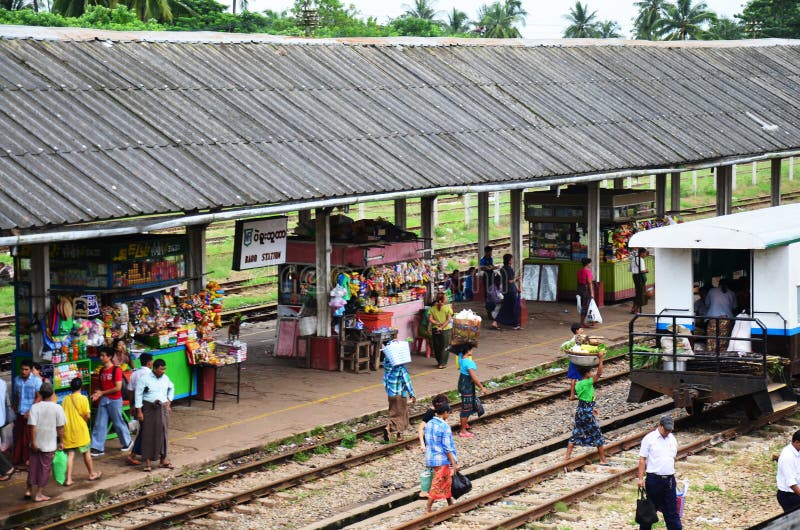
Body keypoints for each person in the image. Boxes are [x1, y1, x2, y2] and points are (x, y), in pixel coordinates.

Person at [637, 415, 682, 530]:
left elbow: (673, 457)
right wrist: (640, 478)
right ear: (660, 426)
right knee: (649, 511)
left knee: (672, 512)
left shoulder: (672, 438)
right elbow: (642, 459)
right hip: (654, 480)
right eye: (666, 429)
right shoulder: (649, 438)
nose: (668, 432)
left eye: (670, 430)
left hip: (669, 480)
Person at [563, 352, 608, 465]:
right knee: (597, 434)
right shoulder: (588, 382)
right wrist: (601, 359)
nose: (591, 373)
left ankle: (567, 458)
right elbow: (600, 373)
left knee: (576, 432)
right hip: (587, 412)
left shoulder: (578, 384)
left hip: (580, 411)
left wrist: (592, 408)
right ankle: (603, 460)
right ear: (587, 373)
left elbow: (584, 398)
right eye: (590, 372)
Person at [26, 381, 66, 502]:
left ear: (40, 393)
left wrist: (34, 442)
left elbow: (32, 426)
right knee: (44, 469)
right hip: (49, 444)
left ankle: (28, 490)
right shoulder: (57, 408)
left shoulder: (35, 407)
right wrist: (61, 442)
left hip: (35, 443)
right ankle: (38, 494)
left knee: (32, 467)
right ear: (52, 393)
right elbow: (61, 428)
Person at [135, 358, 175, 472]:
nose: (163, 371)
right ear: (155, 368)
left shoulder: (165, 378)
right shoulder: (144, 379)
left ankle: (163, 460)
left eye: (165, 369)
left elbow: (171, 388)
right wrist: (139, 411)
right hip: (148, 408)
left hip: (162, 408)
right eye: (161, 369)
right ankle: (147, 462)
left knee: (163, 433)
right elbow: (138, 395)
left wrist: (169, 402)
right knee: (148, 434)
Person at [90, 348, 132, 457]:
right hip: (104, 399)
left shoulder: (116, 370)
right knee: (100, 422)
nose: (101, 358)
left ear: (109, 357)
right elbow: (100, 386)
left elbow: (117, 388)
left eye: (103, 355)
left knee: (118, 422)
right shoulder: (101, 371)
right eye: (101, 355)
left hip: (115, 400)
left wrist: (102, 393)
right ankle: (97, 447)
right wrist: (97, 393)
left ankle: (127, 442)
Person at [61, 378, 101, 484]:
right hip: (80, 430)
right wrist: (85, 422)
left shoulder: (65, 399)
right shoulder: (83, 398)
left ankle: (68, 479)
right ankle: (92, 474)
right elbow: (87, 415)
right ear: (81, 386)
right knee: (86, 452)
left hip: (68, 430)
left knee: (70, 455)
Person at [423, 398, 458, 514]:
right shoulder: (444, 426)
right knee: (438, 483)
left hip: (430, 458)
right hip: (441, 459)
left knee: (446, 480)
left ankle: (451, 505)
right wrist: (453, 462)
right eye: (449, 413)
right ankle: (428, 508)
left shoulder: (429, 424)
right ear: (445, 413)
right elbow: (447, 447)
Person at [416, 394, 448, 498]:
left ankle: (432, 491)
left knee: (434, 468)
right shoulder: (431, 413)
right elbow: (421, 428)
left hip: (437, 443)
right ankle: (426, 491)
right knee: (431, 468)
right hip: (430, 444)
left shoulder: (440, 414)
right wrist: (422, 444)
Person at [12, 359, 42, 469]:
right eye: (22, 369)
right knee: (18, 436)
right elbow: (15, 396)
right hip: (20, 413)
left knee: (28, 438)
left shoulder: (36, 381)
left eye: (26, 369)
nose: (23, 371)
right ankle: (17, 459)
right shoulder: (17, 380)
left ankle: (28, 460)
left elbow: (39, 396)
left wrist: (30, 411)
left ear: (30, 370)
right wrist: (14, 410)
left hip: (31, 413)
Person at [127, 352, 154, 466]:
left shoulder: (135, 374)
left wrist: (131, 405)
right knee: (145, 430)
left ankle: (145, 452)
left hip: (138, 404)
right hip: (147, 405)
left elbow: (130, 391)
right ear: (149, 363)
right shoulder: (151, 374)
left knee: (144, 429)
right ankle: (133, 454)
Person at [455, 342, 486, 438]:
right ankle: (463, 431)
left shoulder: (460, 357)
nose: (472, 351)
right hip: (467, 386)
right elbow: (474, 378)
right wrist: (482, 387)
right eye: (471, 349)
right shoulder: (469, 363)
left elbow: (460, 353)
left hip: (462, 384)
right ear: (468, 350)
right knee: (466, 408)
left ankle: (463, 423)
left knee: (466, 405)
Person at [382, 356, 416, 441]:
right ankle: (398, 434)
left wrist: (389, 390)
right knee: (401, 414)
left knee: (393, 412)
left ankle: (388, 427)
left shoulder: (387, 366)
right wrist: (412, 394)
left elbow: (384, 380)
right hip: (400, 394)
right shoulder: (401, 368)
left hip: (391, 395)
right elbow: (407, 382)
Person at [705, 279, 737, 353]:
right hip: (726, 318)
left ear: (718, 284)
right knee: (723, 338)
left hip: (713, 317)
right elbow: (734, 307)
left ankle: (711, 354)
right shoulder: (731, 293)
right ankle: (722, 354)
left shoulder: (711, 291)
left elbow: (707, 304)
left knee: (712, 338)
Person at [492, 253, 521, 330]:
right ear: (509, 261)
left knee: (505, 307)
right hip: (511, 290)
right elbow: (510, 281)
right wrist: (516, 279)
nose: (512, 260)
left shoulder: (502, 269)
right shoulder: (509, 269)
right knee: (514, 307)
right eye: (511, 259)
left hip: (505, 290)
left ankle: (496, 322)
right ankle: (515, 324)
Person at [776, 430, 800, 514]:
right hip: (789, 496)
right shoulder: (787, 456)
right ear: (797, 442)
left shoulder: (797, 450)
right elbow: (791, 483)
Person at [428, 292, 454, 369]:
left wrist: (437, 323)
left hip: (435, 329)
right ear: (443, 300)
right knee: (445, 347)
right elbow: (448, 320)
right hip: (445, 330)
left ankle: (439, 362)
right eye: (445, 298)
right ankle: (442, 364)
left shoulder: (432, 308)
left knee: (437, 346)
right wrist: (442, 327)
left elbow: (430, 319)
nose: (446, 299)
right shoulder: (447, 308)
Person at [565, 323, 585, 400]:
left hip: (573, 359)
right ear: (577, 330)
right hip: (580, 360)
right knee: (582, 378)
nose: (582, 330)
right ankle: (582, 394)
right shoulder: (581, 338)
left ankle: (572, 395)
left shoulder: (571, 340)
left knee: (573, 378)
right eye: (581, 329)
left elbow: (569, 348)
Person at [479, 246, 496, 320]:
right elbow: (481, 267)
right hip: (487, 277)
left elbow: (491, 266)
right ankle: (489, 311)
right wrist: (489, 268)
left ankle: (492, 310)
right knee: (488, 293)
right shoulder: (483, 260)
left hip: (491, 276)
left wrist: (493, 267)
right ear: (486, 252)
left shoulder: (491, 259)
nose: (491, 253)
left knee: (492, 292)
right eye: (490, 252)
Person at [577, 257, 595, 328]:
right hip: (586, 289)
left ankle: (590, 321)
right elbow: (590, 283)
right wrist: (592, 293)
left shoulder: (579, 271)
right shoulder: (588, 271)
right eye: (590, 263)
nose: (591, 264)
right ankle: (582, 322)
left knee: (584, 305)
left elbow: (578, 281)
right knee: (586, 306)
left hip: (580, 288)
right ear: (587, 264)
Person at [631, 248, 649, 314]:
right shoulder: (641, 260)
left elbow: (630, 269)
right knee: (641, 293)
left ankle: (634, 308)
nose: (646, 254)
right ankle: (636, 309)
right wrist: (646, 270)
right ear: (642, 253)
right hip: (640, 277)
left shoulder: (634, 259)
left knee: (638, 292)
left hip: (635, 277)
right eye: (645, 253)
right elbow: (642, 270)